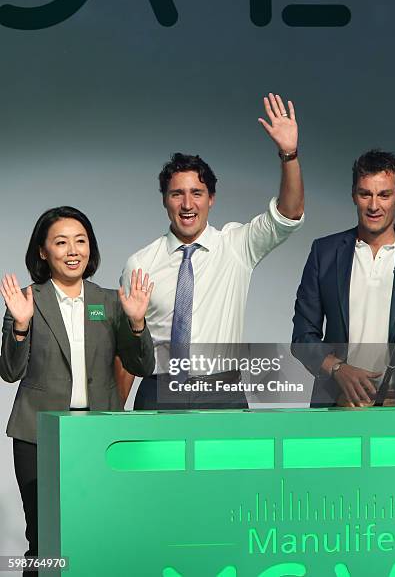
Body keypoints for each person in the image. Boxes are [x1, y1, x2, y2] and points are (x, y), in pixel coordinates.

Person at [121, 93, 304, 409]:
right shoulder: (141, 263)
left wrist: (289, 154)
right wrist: (108, 419)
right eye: (177, 194)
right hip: (158, 390)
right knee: (156, 461)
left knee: (226, 461)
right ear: (165, 199)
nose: (187, 204)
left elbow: (288, 214)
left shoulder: (236, 246)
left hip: (221, 390)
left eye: (197, 193)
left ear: (212, 198)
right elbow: (125, 348)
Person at [0, 206, 154, 571]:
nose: (73, 251)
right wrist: (20, 326)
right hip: (39, 436)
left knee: (98, 530)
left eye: (80, 241)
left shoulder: (111, 301)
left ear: (91, 248)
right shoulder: (27, 300)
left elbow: (142, 366)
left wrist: (136, 323)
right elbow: (9, 370)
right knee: (43, 537)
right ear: (42, 251)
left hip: (99, 435)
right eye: (61, 242)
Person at [292, 149, 395, 408]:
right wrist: (337, 368)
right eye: (365, 194)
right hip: (339, 402)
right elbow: (301, 338)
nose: (374, 205)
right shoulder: (325, 252)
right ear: (354, 194)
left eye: (384, 195)